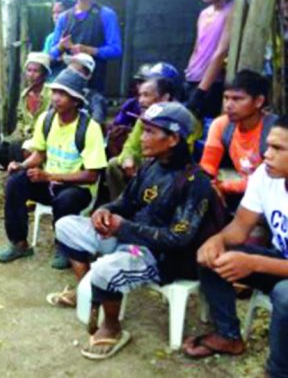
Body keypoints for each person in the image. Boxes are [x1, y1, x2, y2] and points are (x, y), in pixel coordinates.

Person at [51, 102, 215, 360]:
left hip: (161, 257)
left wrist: (124, 228)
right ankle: (90, 291)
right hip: (127, 238)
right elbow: (127, 202)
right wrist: (103, 211)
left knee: (104, 269)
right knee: (66, 226)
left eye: (150, 132)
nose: (141, 137)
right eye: (143, 129)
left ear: (173, 139)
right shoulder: (151, 165)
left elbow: (179, 237)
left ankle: (112, 326)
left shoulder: (195, 181)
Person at [183, 116, 288, 378]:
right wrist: (216, 240)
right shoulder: (265, 175)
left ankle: (277, 372)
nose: (266, 154)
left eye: (278, 148)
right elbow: (240, 228)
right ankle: (229, 335)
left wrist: (253, 263)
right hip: (279, 259)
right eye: (268, 145)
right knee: (213, 256)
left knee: (285, 296)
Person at [0, 68, 107, 265]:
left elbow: (92, 176)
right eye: (54, 91)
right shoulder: (46, 120)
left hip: (77, 189)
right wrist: (22, 165)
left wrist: (49, 176)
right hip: (48, 182)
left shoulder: (90, 129)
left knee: (66, 199)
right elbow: (39, 153)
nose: (55, 98)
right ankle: (19, 243)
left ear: (76, 100)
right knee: (15, 183)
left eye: (63, 94)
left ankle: (64, 247)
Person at [48, 0, 122, 121]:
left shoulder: (105, 15)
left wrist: (88, 50)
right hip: (68, 84)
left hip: (95, 82)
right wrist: (61, 46)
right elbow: (52, 53)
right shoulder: (64, 17)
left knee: (94, 123)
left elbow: (116, 49)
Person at [200, 69, 277, 212]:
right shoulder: (221, 125)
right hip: (244, 191)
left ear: (258, 101)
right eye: (226, 98)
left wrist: (224, 186)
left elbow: (272, 180)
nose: (228, 105)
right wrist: (209, 186)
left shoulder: (274, 130)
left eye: (237, 99)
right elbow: (207, 167)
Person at [106, 75, 187, 200]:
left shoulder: (182, 118)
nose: (140, 100)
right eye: (140, 95)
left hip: (171, 168)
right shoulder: (147, 115)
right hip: (147, 164)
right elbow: (131, 145)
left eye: (146, 95)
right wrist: (128, 158)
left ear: (165, 97)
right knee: (114, 164)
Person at [184, 0, 236, 119]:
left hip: (211, 83)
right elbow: (197, 47)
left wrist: (201, 90)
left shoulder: (234, 10)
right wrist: (188, 73)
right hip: (192, 78)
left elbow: (221, 52)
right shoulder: (204, 13)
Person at [0, 52, 51, 168]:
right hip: (27, 136)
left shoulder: (51, 94)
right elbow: (21, 121)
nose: (31, 75)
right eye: (29, 70)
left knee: (18, 147)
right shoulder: (24, 95)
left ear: (44, 74)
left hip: (45, 137)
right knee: (2, 148)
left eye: (36, 71)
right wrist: (17, 134)